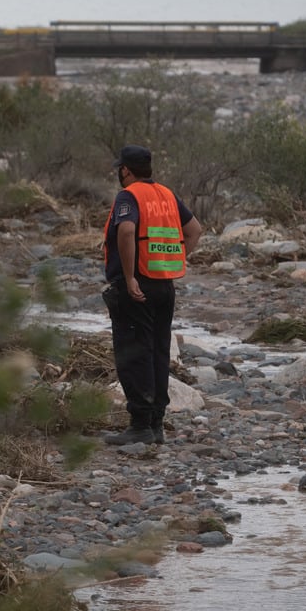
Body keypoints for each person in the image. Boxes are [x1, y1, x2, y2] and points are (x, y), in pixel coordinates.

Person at [101, 145, 202, 446]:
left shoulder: (129, 195)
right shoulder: (166, 194)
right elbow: (195, 230)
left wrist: (130, 277)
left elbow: (127, 231)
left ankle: (140, 425)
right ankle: (156, 423)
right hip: (164, 285)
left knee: (134, 352)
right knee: (158, 351)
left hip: (137, 286)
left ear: (125, 170)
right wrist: (175, 259)